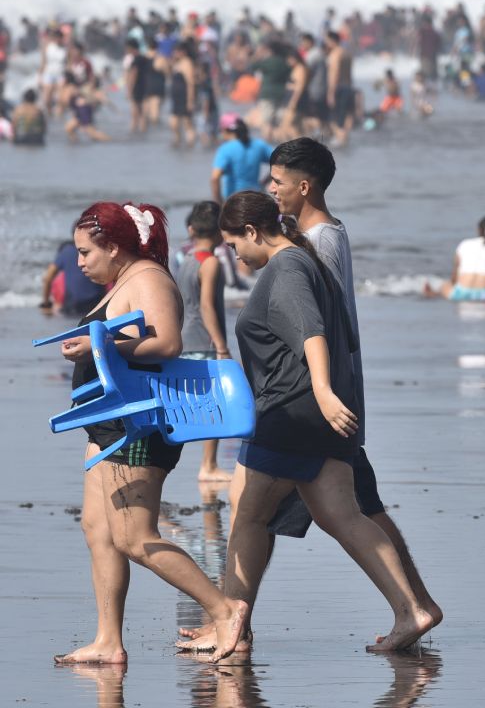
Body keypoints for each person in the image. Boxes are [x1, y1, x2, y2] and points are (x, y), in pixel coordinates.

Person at [179, 186, 438, 654]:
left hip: (291, 410)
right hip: (316, 413)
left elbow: (311, 332)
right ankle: (410, 609)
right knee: (340, 514)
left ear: (254, 231)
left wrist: (321, 392)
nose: (234, 255)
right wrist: (329, 397)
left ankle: (230, 624)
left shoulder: (288, 267)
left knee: (249, 515)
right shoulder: (304, 260)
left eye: (235, 244)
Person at [52, 200, 247, 665]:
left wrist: (98, 342)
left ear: (113, 246)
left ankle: (224, 609)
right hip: (105, 423)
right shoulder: (124, 281)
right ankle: (108, 641)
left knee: (135, 536)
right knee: (97, 529)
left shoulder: (150, 278)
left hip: (136, 425)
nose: (79, 262)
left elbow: (168, 341)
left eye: (85, 252)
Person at [175, 202, 231, 482]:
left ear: (191, 229)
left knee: (182, 406)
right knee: (215, 405)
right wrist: (222, 347)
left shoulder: (184, 261)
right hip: (204, 342)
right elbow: (207, 307)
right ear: (221, 232)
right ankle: (208, 465)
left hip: (183, 340)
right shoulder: (210, 263)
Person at [423, 216, 485, 301]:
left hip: (461, 294)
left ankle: (432, 294)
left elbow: (454, 279)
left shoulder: (465, 244)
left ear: (479, 230)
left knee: (445, 285)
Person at [211, 113, 272, 205]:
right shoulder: (259, 145)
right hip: (256, 198)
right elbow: (281, 162)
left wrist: (219, 202)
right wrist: (265, 181)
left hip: (234, 202)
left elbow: (215, 178)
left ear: (225, 130)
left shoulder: (225, 149)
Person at [40, 234, 105, 316]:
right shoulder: (102, 248)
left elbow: (47, 278)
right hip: (98, 305)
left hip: (73, 306)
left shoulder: (66, 251)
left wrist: (46, 303)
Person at [325, 30, 354, 146]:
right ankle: (345, 140)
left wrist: (331, 92)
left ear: (332, 41)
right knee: (346, 115)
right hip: (348, 86)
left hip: (339, 87)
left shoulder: (335, 54)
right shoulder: (347, 53)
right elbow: (349, 73)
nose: (326, 43)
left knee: (336, 118)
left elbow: (334, 73)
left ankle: (341, 141)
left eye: (327, 40)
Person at [169, 41, 196, 147]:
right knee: (173, 123)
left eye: (177, 51)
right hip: (176, 98)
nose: (175, 53)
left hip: (185, 97)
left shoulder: (187, 63)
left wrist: (190, 101)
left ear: (183, 52)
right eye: (174, 51)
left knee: (187, 123)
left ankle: (190, 144)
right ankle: (177, 141)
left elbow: (190, 83)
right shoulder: (177, 63)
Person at [124, 38, 148, 133]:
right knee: (142, 113)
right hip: (145, 86)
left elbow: (133, 75)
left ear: (131, 48)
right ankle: (142, 132)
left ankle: (134, 132)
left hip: (137, 87)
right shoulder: (144, 58)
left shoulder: (135, 60)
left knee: (135, 113)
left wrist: (129, 90)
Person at [144, 37, 169, 125]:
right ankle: (156, 136)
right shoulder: (161, 58)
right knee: (155, 112)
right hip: (158, 85)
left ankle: (144, 136)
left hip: (146, 85)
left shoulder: (144, 57)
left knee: (145, 112)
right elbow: (167, 73)